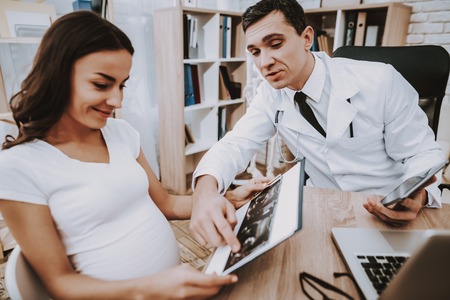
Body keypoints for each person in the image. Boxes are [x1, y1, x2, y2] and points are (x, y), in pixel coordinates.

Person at [0, 11, 269, 299]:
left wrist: (222, 200)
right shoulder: (18, 167)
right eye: (102, 85)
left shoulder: (121, 132)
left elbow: (166, 203)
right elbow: (59, 283)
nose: (117, 101)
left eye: (122, 84)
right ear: (57, 76)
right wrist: (147, 289)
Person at [190, 0, 445, 252]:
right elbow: (236, 143)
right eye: (255, 52)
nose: (264, 62)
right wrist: (205, 189)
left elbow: (421, 153)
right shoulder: (269, 95)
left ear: (306, 38)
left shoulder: (380, 80)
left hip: (387, 209)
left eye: (275, 44)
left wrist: (418, 196)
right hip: (324, 211)